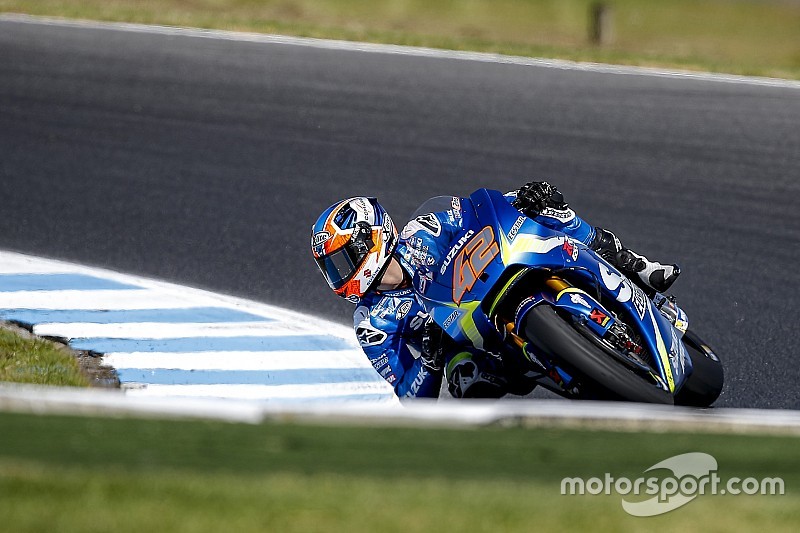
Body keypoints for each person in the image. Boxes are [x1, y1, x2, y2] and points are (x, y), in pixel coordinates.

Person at [310, 181, 680, 399]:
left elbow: (475, 213)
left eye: (343, 259)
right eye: (332, 267)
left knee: (549, 207)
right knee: (464, 377)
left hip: (498, 277)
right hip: (473, 341)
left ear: (369, 240)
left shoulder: (422, 230)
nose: (340, 274)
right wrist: (428, 361)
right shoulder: (371, 323)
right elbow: (408, 393)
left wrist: (519, 196)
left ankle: (639, 269)